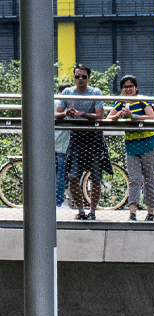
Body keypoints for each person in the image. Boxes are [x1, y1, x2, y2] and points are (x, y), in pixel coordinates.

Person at [55, 64, 110, 221]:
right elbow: (57, 114)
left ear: (88, 78)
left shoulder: (95, 92)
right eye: (77, 76)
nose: (80, 79)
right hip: (76, 139)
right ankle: (80, 210)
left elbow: (99, 115)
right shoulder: (67, 92)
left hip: (94, 139)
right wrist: (67, 113)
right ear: (73, 77)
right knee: (73, 176)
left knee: (96, 178)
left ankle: (92, 211)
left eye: (83, 77)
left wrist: (82, 114)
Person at [106, 74, 154, 223]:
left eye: (130, 86)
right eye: (125, 87)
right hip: (131, 145)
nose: (128, 89)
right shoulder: (120, 103)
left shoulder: (142, 100)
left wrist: (133, 116)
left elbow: (151, 118)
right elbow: (107, 118)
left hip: (149, 143)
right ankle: (132, 213)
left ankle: (150, 213)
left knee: (149, 179)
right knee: (134, 179)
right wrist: (117, 116)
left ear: (136, 88)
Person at [54, 81, 70, 210]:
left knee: (49, 173)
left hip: (48, 143)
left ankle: (48, 201)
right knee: (61, 173)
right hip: (63, 144)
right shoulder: (65, 103)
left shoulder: (51, 100)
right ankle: (58, 202)